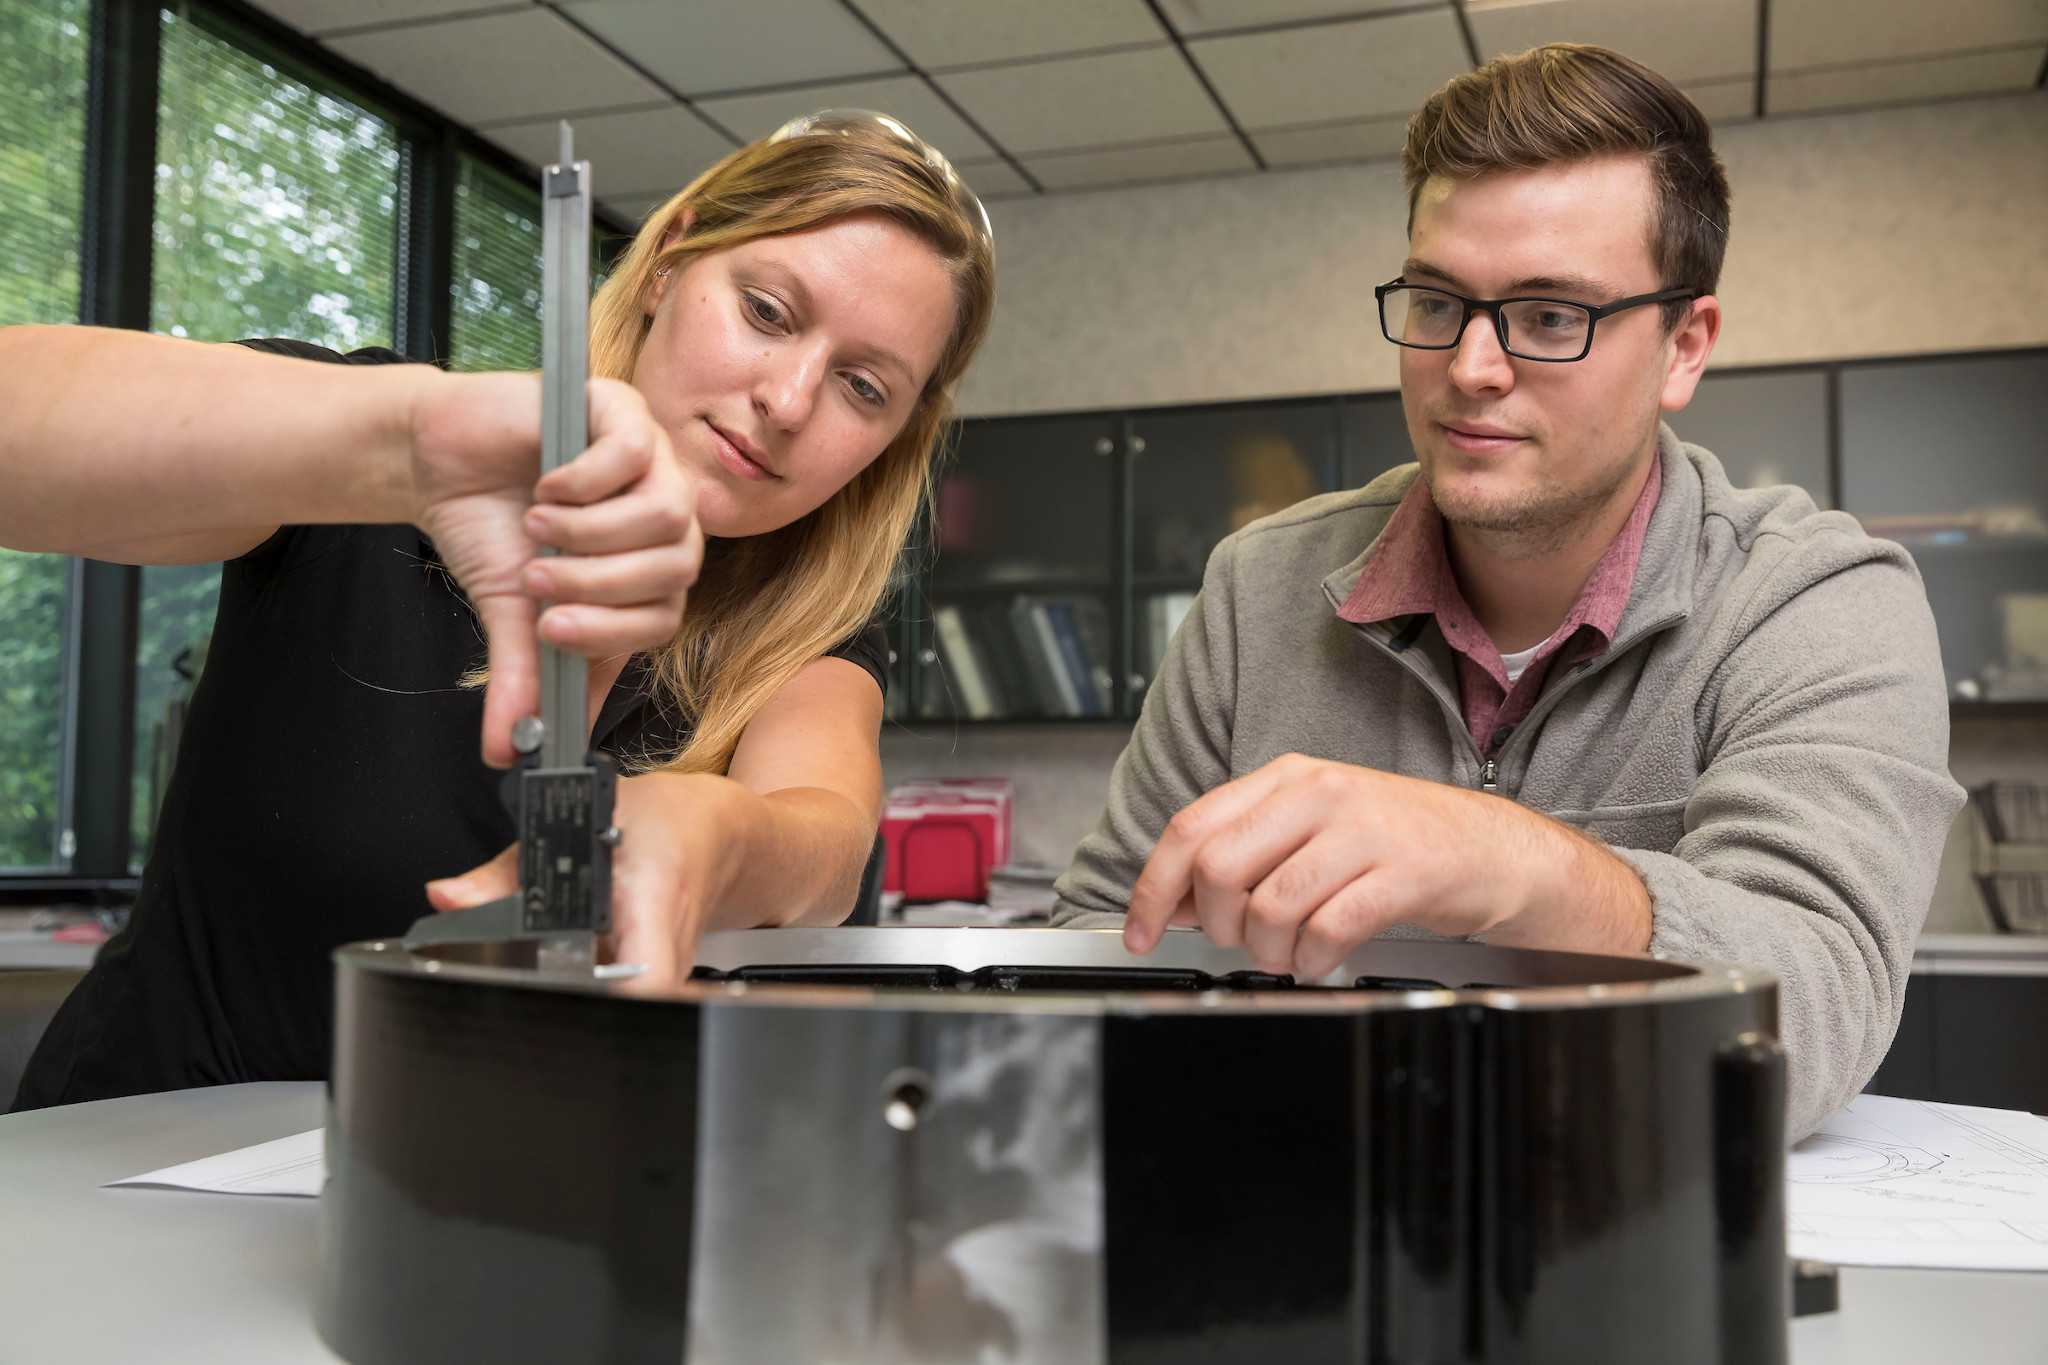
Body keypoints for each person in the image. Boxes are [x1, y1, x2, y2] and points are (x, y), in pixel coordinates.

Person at [1050, 46, 1962, 1140]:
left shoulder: (1817, 601)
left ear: (1683, 345)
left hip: (1630, 1246)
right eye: (1437, 301)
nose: (1471, 367)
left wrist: (1510, 863)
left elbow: (1815, 1014)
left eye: (1547, 316)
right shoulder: (1257, 589)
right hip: (1301, 1215)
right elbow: (1095, 947)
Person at [4, 112, 995, 1109]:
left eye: (862, 386)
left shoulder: (810, 647)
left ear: (895, 439)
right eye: (768, 313)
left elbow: (819, 838)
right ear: (666, 266)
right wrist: (405, 447)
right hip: (127, 1169)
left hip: (492, 1216)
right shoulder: (378, 465)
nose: (786, 399)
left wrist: (717, 833)